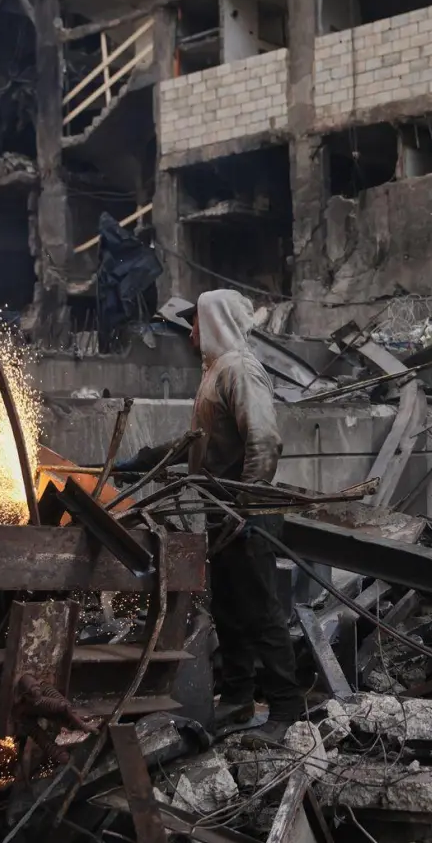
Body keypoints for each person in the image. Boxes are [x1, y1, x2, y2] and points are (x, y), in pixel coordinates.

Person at [115, 289, 301, 745]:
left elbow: (264, 441)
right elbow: (197, 439)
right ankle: (238, 697)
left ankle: (287, 709)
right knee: (230, 610)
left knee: (260, 612)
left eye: (197, 322)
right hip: (221, 513)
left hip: (245, 514)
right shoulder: (218, 371)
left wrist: (248, 507)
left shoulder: (240, 369)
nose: (192, 332)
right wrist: (148, 458)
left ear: (214, 322)